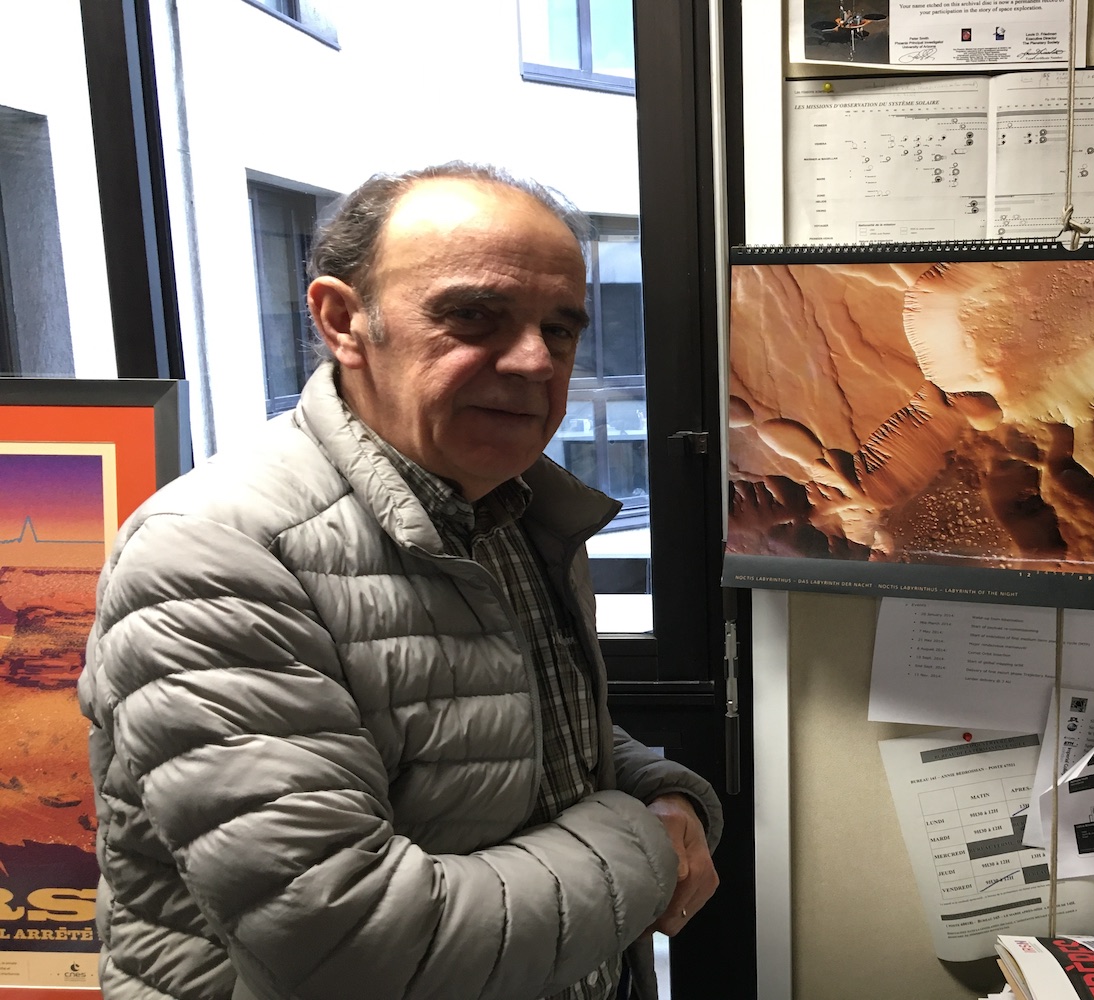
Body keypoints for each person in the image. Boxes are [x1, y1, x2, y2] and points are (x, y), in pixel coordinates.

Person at [79, 163, 723, 1000]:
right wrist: (641, 838)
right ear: (344, 321)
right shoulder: (214, 556)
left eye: (560, 329)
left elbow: (498, 733)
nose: (535, 361)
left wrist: (662, 788)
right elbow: (355, 948)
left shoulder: (505, 505)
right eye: (474, 315)